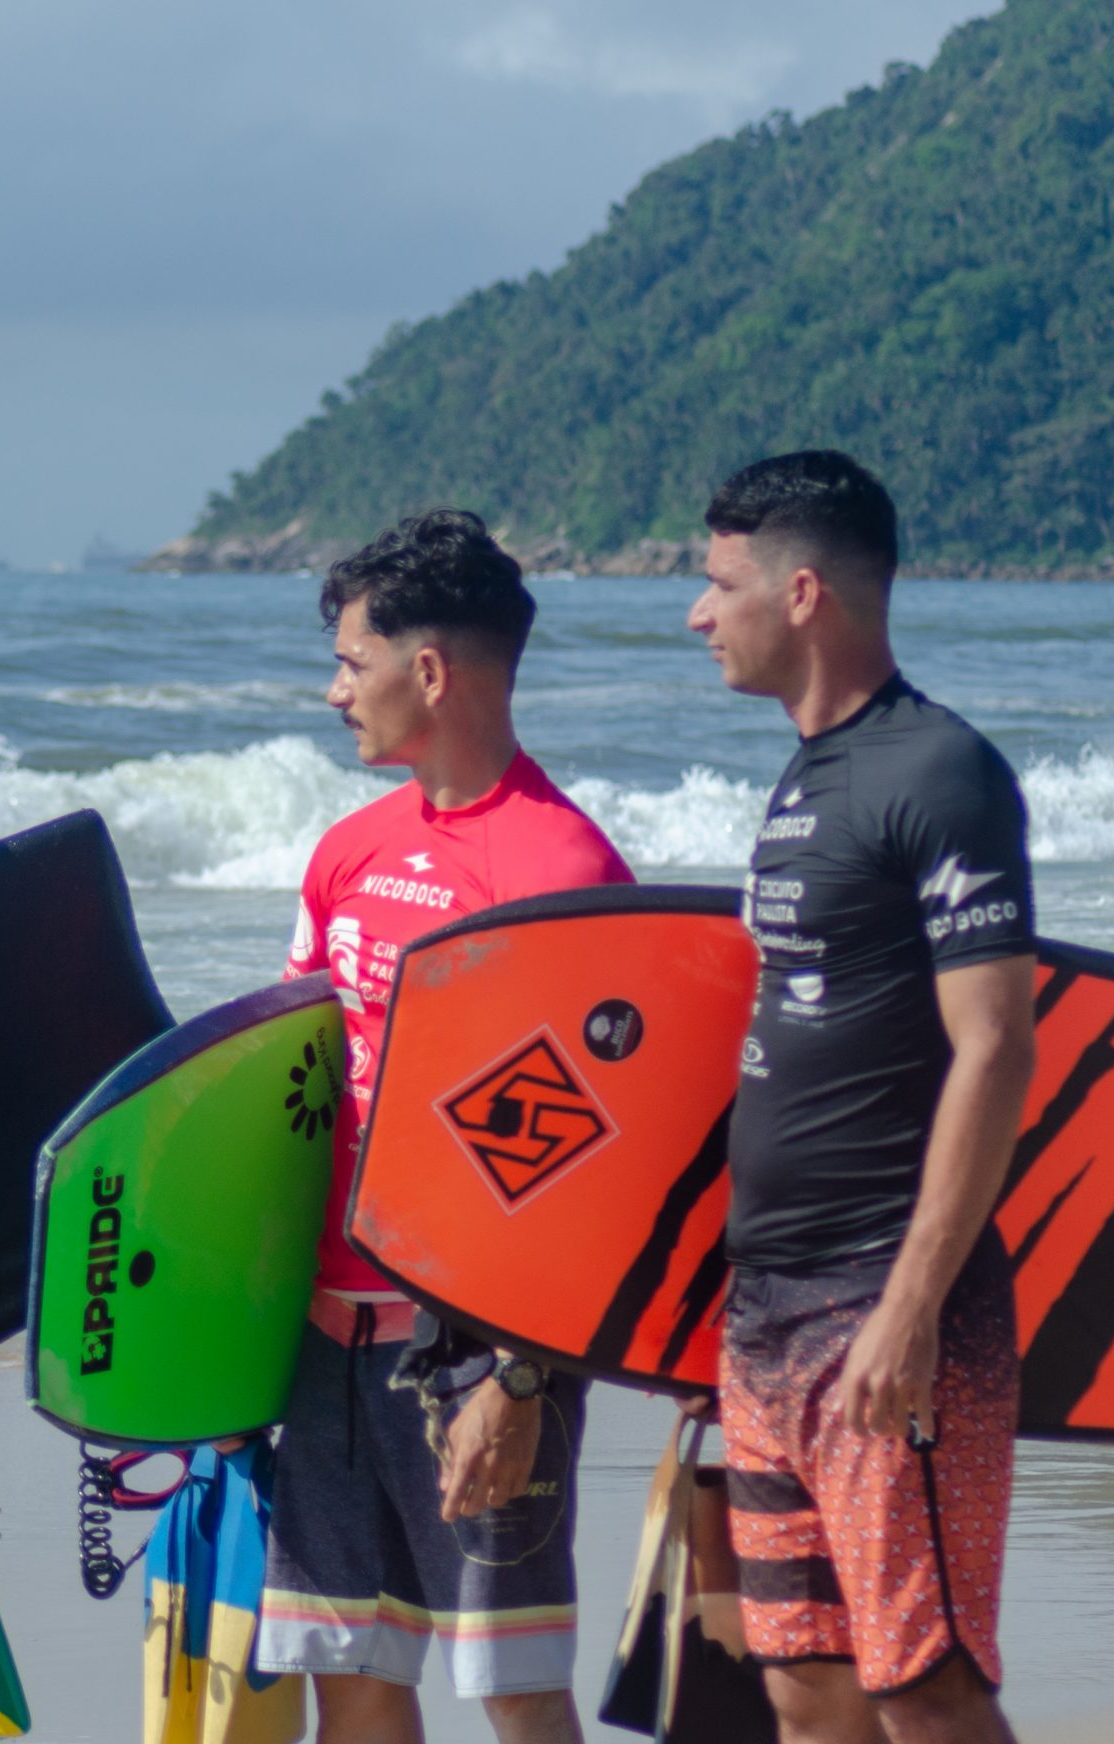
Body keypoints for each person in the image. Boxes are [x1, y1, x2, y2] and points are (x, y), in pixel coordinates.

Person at [256, 509, 634, 1744]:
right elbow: (289, 1089)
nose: (333, 690)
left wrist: (520, 1382)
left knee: (513, 1689)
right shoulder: (346, 854)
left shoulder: (561, 873)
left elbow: (591, 1173)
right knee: (351, 1676)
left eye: (350, 661)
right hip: (325, 1343)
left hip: (475, 1349)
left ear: (427, 671)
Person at [686, 451, 1036, 1744]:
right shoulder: (802, 781)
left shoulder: (939, 774)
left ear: (806, 592)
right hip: (767, 1311)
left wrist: (911, 1308)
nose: (698, 612)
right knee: (806, 1688)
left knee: (925, 1684)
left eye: (720, 584)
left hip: (883, 1306)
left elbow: (995, 1048)